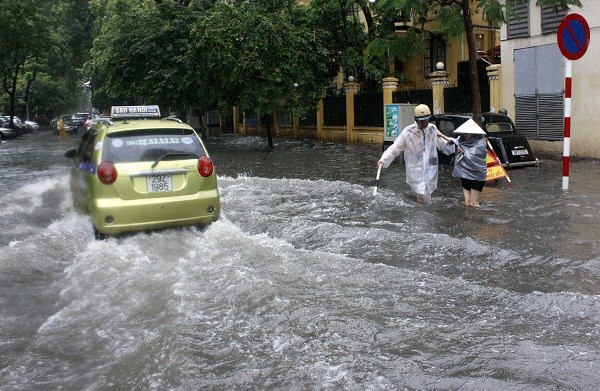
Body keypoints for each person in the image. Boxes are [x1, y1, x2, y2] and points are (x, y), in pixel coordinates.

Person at [377, 104, 454, 204]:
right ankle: (420, 216)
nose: (425, 123)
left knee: (426, 197)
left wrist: (453, 144)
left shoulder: (432, 129)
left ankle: (424, 215)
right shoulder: (408, 132)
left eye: (427, 120)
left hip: (430, 170)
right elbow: (395, 148)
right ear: (416, 120)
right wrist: (383, 160)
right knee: (422, 196)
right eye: (422, 121)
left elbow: (442, 145)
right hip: (415, 171)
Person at [438, 119, 488, 207]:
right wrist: (441, 135)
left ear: (473, 132)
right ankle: (467, 220)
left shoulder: (481, 142)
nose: (465, 135)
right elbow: (453, 141)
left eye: (467, 133)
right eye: (464, 133)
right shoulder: (462, 139)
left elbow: (473, 156)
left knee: (473, 203)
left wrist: (462, 150)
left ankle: (478, 219)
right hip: (465, 174)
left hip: (477, 176)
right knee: (467, 203)